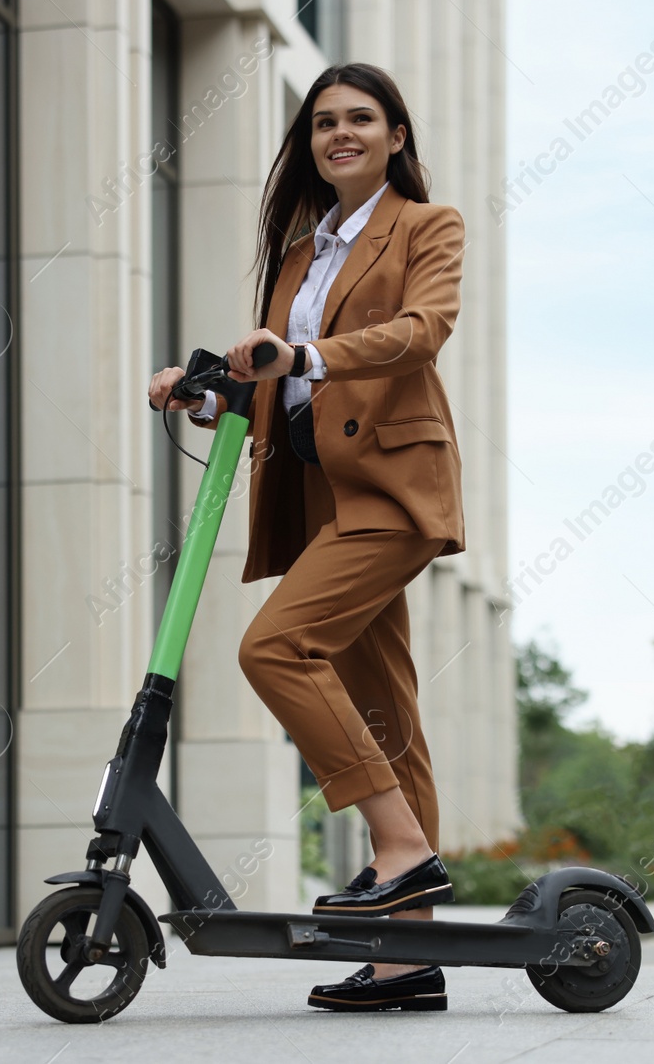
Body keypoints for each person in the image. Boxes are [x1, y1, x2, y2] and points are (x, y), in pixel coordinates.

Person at [146, 62, 467, 1013]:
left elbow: (423, 331)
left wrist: (310, 355)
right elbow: (276, 382)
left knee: (275, 647)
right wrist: (203, 393)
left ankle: (400, 850)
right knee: (388, 720)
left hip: (391, 490)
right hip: (316, 498)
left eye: (361, 119)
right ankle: (407, 963)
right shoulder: (298, 253)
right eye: (324, 122)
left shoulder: (426, 228)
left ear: (396, 136)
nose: (341, 134)